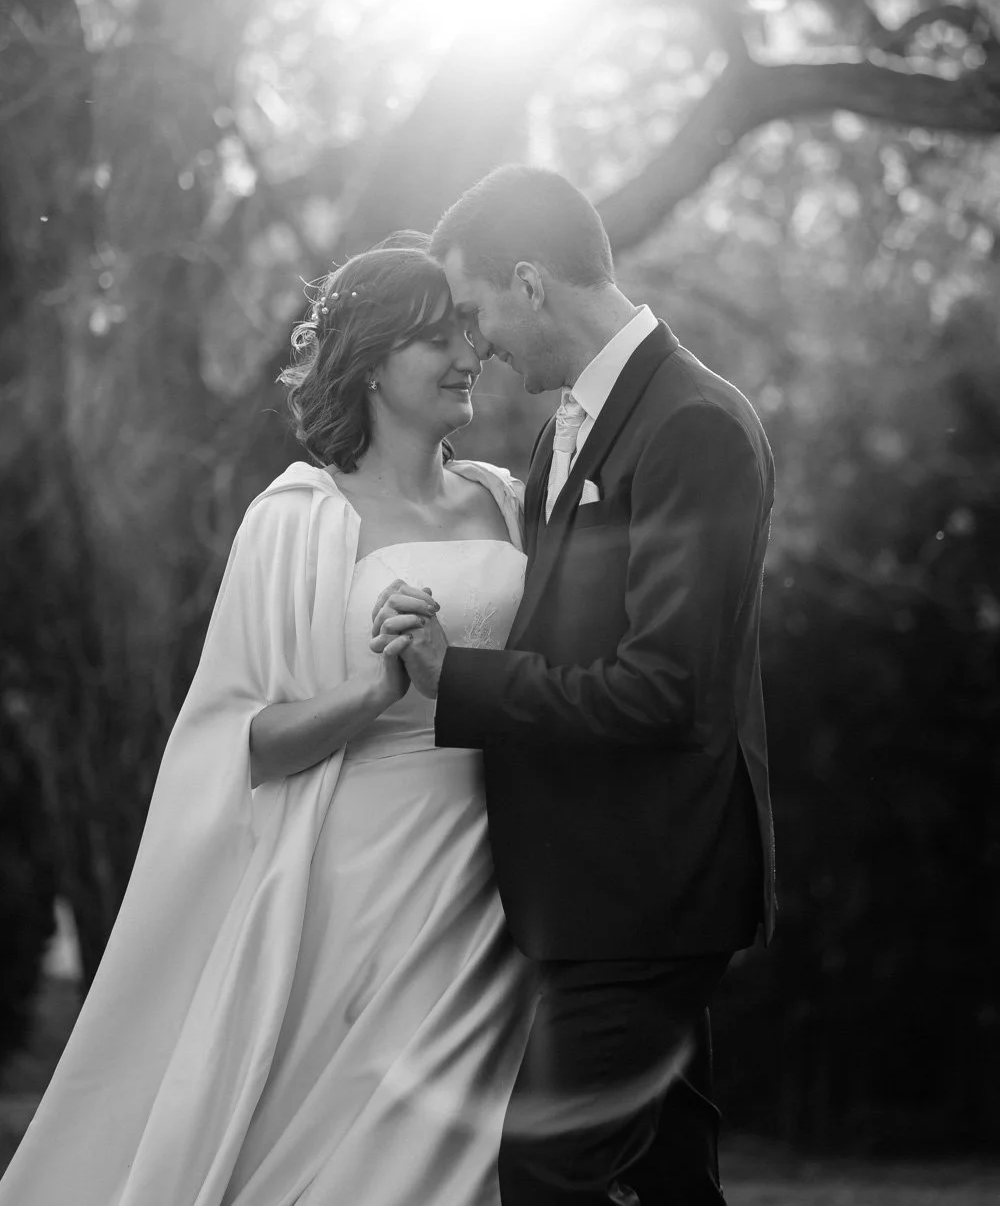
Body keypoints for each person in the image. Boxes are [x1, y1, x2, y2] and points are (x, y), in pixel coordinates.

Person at [0, 245, 536, 1206]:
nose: (469, 352)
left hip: (496, 872)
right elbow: (241, 739)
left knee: (457, 1158)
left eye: (468, 331)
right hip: (358, 879)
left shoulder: (508, 501)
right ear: (371, 359)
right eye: (435, 337)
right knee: (332, 1148)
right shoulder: (296, 519)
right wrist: (375, 691)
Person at [370, 166, 777, 1206]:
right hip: (595, 889)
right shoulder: (576, 425)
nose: (476, 346)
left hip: (649, 891)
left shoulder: (692, 423)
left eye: (474, 313)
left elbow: (663, 690)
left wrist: (454, 680)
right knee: (670, 1177)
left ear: (529, 283)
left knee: (549, 1174)